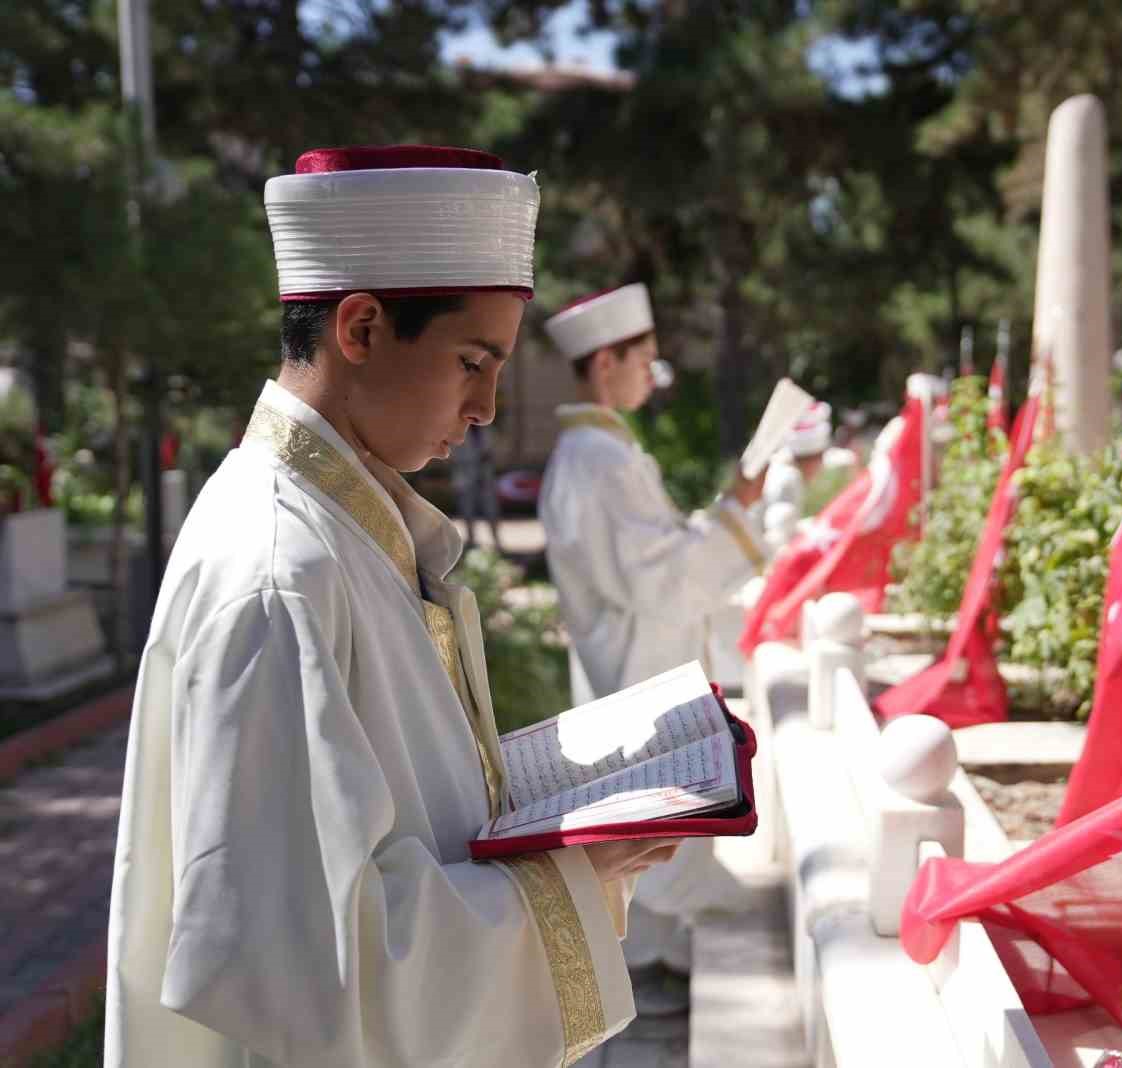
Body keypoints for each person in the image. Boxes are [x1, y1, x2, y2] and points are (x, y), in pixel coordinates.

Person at [105, 145, 681, 1068]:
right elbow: (307, 971)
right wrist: (578, 873)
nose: (488, 406)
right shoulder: (279, 571)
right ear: (362, 327)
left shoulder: (345, 528)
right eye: (471, 362)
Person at [539, 283, 767, 1013]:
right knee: (653, 822)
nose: (654, 374)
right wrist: (737, 510)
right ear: (607, 362)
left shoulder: (600, 452)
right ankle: (648, 975)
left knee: (654, 819)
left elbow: (655, 559)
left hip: (632, 661)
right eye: (645, 359)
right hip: (638, 666)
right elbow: (660, 579)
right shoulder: (599, 459)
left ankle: (653, 963)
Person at [452, 422, 504, 553]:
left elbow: (494, 449)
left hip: (485, 478)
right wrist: (475, 460)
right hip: (466, 476)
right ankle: (471, 541)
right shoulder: (458, 429)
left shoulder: (486, 429)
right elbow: (455, 454)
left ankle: (496, 540)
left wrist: (488, 458)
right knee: (467, 510)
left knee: (491, 510)